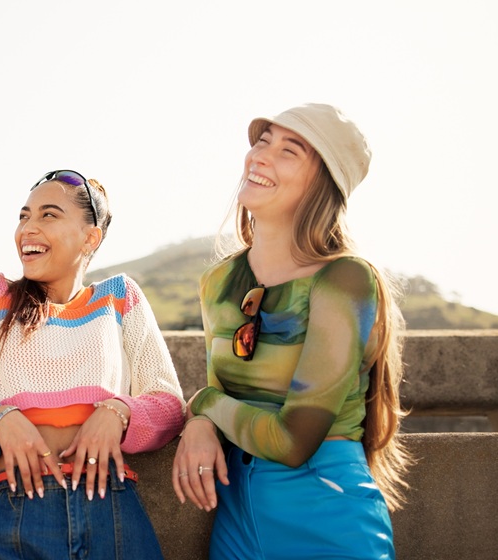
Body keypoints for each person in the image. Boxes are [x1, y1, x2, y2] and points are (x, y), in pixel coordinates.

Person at [172, 103, 413, 559]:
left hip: (324, 512)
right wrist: (201, 422)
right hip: (235, 515)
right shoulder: (218, 282)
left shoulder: (344, 280)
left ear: (323, 184)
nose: (260, 156)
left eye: (289, 150)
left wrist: (202, 404)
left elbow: (291, 442)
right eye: (262, 142)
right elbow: (227, 395)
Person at [0, 170, 186, 559]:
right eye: (23, 216)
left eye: (48, 215)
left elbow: (169, 404)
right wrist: (0, 417)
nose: (28, 229)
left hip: (113, 507)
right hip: (19, 509)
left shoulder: (119, 295)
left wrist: (118, 411)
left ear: (90, 237)